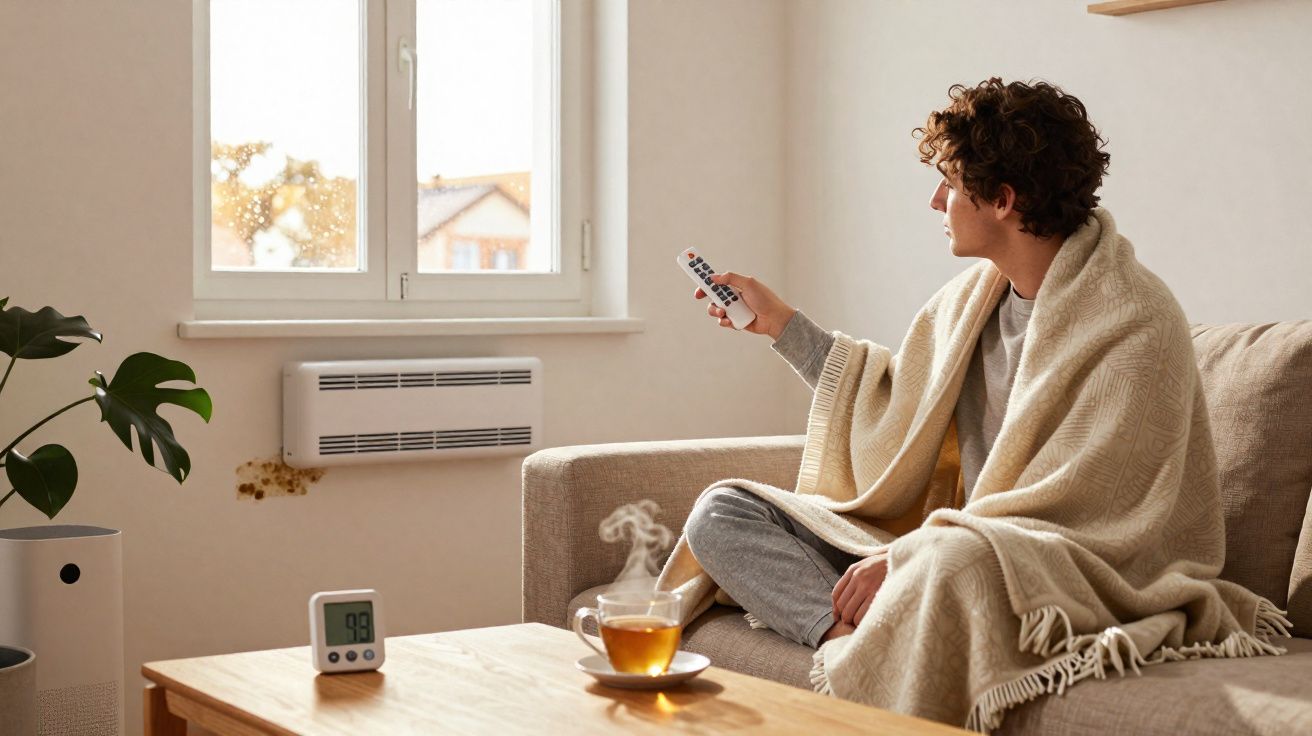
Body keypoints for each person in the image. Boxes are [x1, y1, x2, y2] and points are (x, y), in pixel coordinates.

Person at [681, 77, 1112, 648]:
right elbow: (892, 404)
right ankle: (848, 642)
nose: (936, 201)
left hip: (1016, 564)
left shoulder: (1122, 324)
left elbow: (1078, 516)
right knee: (722, 512)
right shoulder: (973, 302)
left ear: (1003, 200)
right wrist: (780, 324)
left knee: (948, 575)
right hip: (946, 549)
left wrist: (925, 552)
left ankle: (875, 636)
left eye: (950, 184)